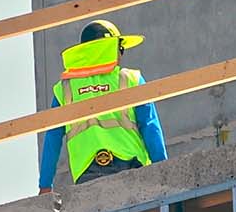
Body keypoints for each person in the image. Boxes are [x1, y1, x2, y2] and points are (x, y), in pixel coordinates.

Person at [37, 19, 168, 192]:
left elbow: (52, 138)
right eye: (120, 48)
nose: (121, 55)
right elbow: (150, 126)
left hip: (87, 172)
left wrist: (45, 184)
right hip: (130, 165)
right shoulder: (130, 79)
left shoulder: (65, 88)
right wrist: (163, 168)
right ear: (111, 47)